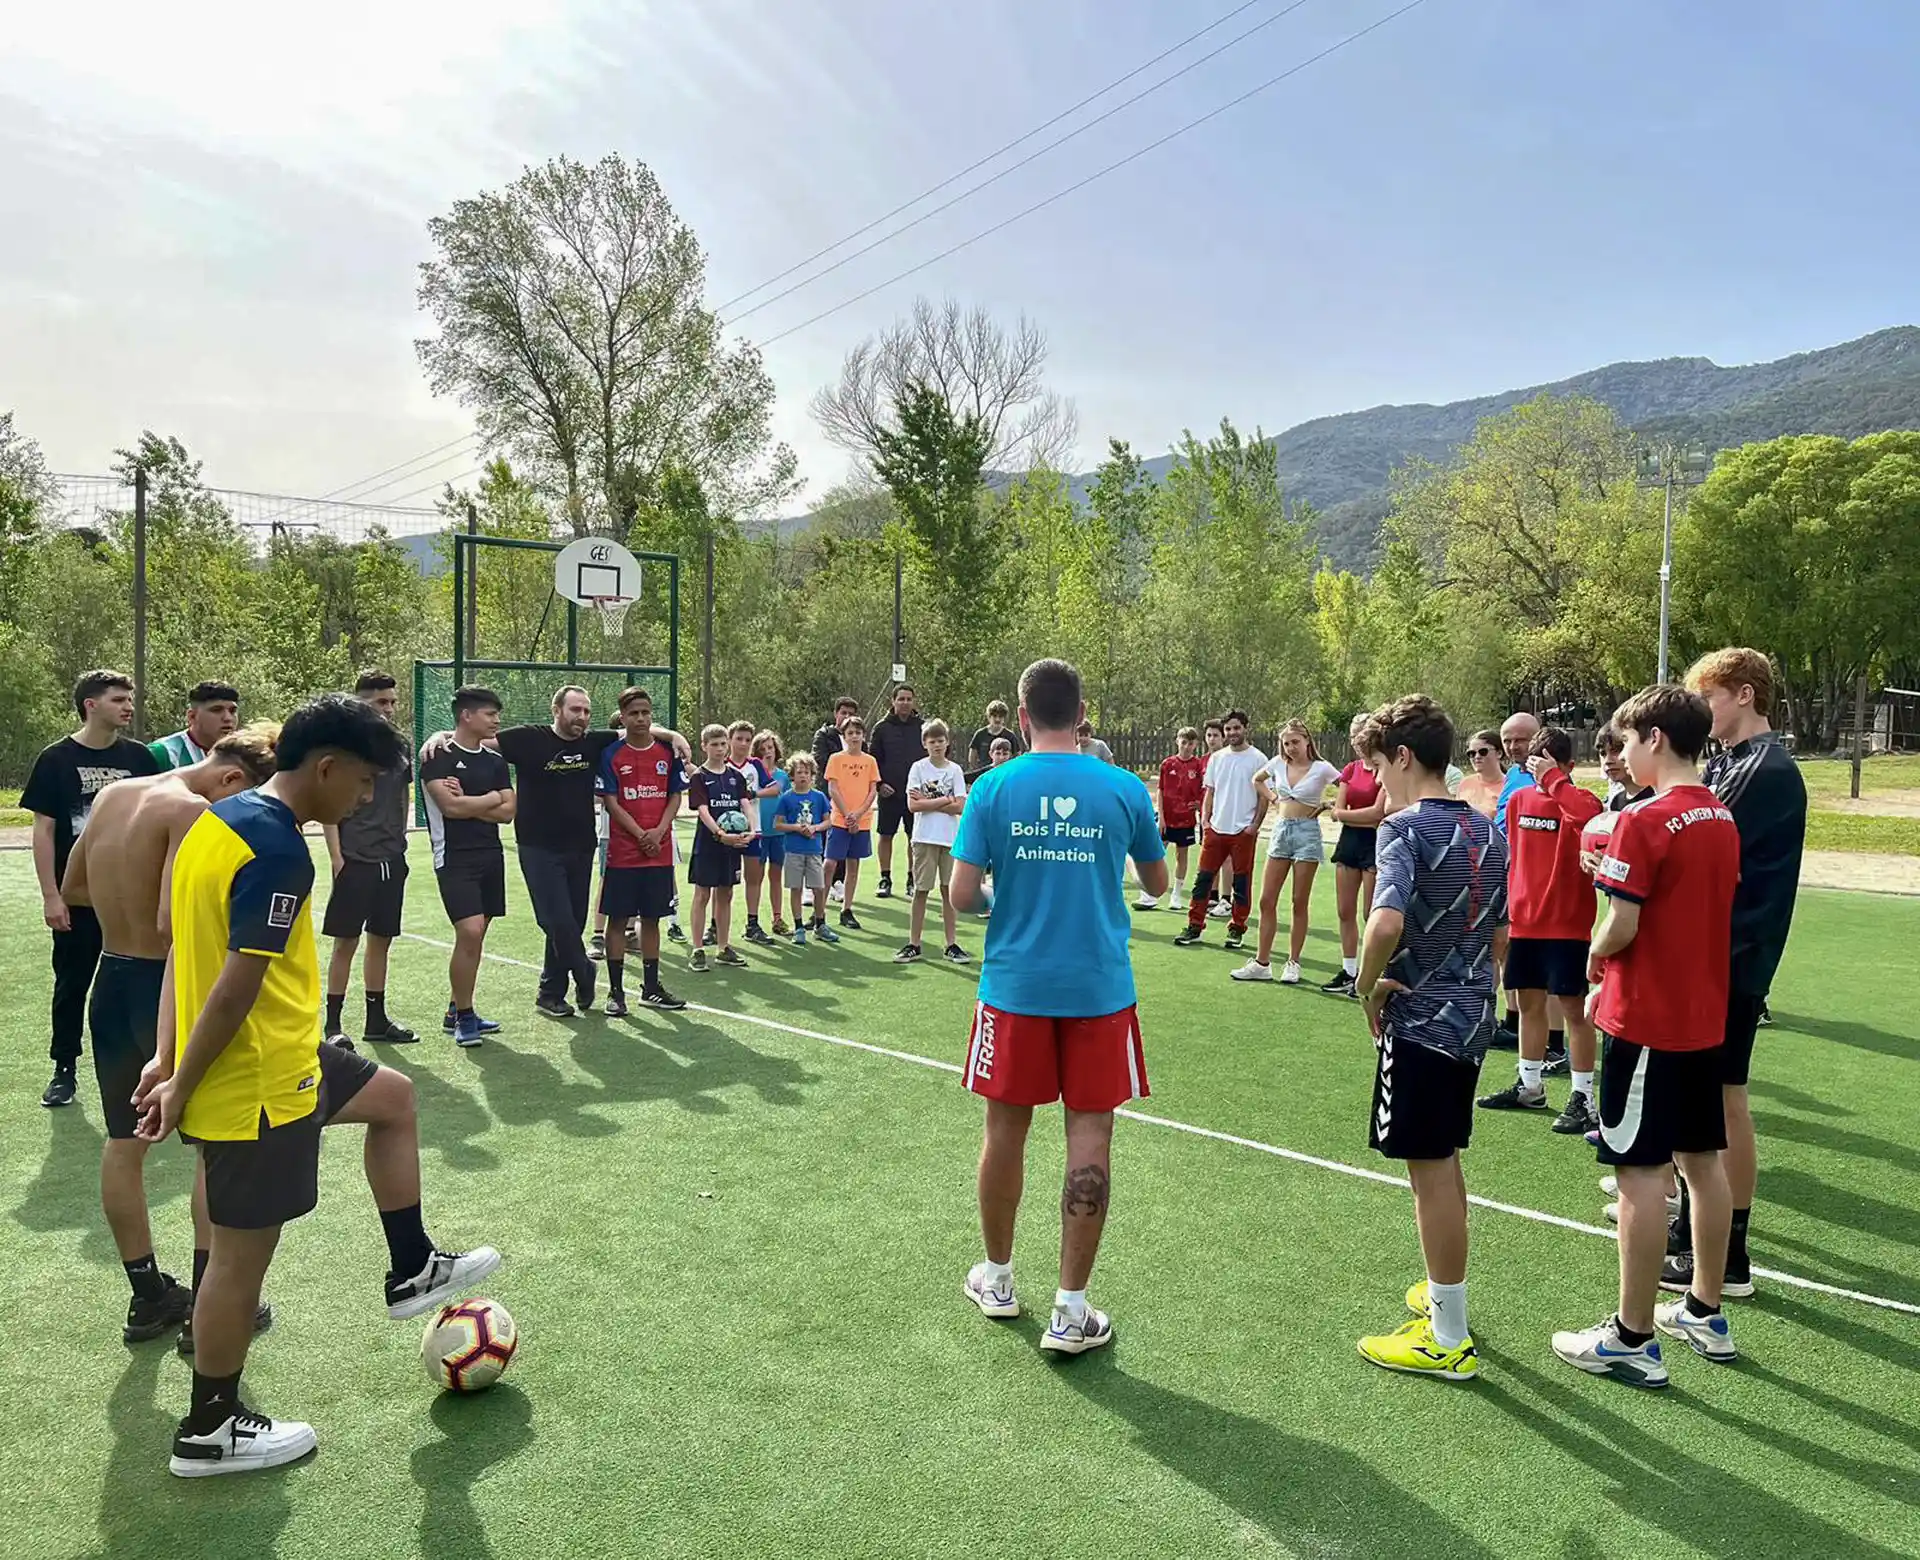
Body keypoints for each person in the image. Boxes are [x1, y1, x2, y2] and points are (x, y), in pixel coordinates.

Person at [136, 694, 501, 1476]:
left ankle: (412, 1265)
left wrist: (165, 1056)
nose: (367, 800)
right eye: (364, 783)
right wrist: (181, 1078)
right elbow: (232, 986)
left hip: (289, 1051)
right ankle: (210, 1428)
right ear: (327, 767)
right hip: (257, 1078)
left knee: (394, 1099)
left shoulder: (217, 821)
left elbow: (179, 948)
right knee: (239, 1260)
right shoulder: (276, 848)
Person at [951, 658, 1167, 1354]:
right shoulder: (1124, 787)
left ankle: (1001, 1279)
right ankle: (1071, 1312)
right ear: (1082, 714)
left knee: (1003, 1132)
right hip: (1099, 990)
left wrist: (1005, 899)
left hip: (1015, 987)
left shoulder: (992, 786)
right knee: (1090, 1138)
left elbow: (961, 896)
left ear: (1019, 716)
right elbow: (1160, 883)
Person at [60, 724, 279, 1347]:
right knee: (212, 1146)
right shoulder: (197, 812)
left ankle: (148, 1294)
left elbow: (75, 887)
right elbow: (170, 923)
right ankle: (209, 1310)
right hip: (167, 992)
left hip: (111, 981)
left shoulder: (115, 794)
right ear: (233, 777)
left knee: (123, 1144)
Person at [1551, 684, 1739, 1386]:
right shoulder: (1720, 815)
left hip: (1647, 1020)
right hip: (1701, 1017)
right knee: (1702, 1162)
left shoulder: (1645, 818)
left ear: (1656, 738)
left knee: (1638, 1176)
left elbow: (1623, 925)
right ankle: (1705, 1311)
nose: (1624, 757)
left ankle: (1631, 1336)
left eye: (1628, 743)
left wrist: (1596, 951)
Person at [1353, 695, 1508, 1380]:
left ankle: (1446, 1333)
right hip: (1474, 1012)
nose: (1377, 779)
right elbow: (1500, 932)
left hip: (1422, 1019)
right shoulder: (1488, 828)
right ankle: (1444, 1292)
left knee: (1429, 1170)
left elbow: (1385, 924)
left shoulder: (1403, 829)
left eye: (1380, 764)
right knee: (1444, 1161)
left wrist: (1365, 984)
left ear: (1404, 757)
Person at [1663, 648, 1808, 1303]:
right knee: (1703, 1098)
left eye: (1709, 698)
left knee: (1724, 1098)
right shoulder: (1734, 763)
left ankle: (1729, 1252)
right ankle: (1695, 1231)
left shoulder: (1764, 768)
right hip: (1711, 955)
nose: (1701, 712)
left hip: (1732, 960)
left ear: (1744, 695)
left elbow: (1685, 835)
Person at [24, 668, 161, 1107]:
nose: (128, 706)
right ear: (91, 705)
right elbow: (43, 831)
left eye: (129, 699)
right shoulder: (56, 759)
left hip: (132, 901)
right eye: (118, 699)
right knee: (72, 984)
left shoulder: (140, 759)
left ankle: (153, 1069)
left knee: (144, 982)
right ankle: (64, 1069)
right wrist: (51, 895)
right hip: (79, 899)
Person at [1478, 727, 1604, 1132]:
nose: (1540, 772)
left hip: (1568, 926)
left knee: (1574, 1011)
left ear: (1566, 765)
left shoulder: (1583, 800)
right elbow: (1514, 854)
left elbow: (1586, 820)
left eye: (1548, 764)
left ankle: (1583, 1097)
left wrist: (1555, 781)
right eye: (1537, 764)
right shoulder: (1517, 800)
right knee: (1528, 1004)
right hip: (1525, 924)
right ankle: (1530, 1086)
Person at [322, 671, 418, 1049]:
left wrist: (402, 839)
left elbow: (404, 794)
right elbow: (328, 804)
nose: (389, 709)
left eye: (393, 702)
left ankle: (376, 1020)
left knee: (382, 939)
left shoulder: (400, 745)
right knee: (345, 942)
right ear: (361, 702)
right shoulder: (341, 749)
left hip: (391, 856)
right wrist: (336, 856)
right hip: (355, 857)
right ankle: (333, 1026)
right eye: (381, 702)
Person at [420, 687, 515, 1047]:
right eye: (490, 714)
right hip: (454, 858)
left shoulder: (494, 761)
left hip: (491, 853)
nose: (496, 720)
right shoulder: (437, 754)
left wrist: (481, 800)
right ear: (466, 715)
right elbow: (451, 809)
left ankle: (458, 1008)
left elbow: (508, 812)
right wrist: (491, 799)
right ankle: (463, 1017)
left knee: (478, 935)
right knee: (470, 932)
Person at [595, 687, 688, 1013]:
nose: (640, 718)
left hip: (658, 852)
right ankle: (616, 992)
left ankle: (651, 988)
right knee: (617, 920)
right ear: (622, 717)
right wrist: (639, 834)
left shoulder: (666, 753)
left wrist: (660, 831)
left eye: (645, 712)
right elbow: (610, 800)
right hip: (624, 852)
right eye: (633, 713)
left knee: (651, 920)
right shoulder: (611, 754)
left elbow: (675, 795)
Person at [1233, 720, 1339, 985]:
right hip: (1280, 831)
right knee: (1266, 899)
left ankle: (1293, 962)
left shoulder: (1322, 767)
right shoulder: (1278, 764)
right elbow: (1257, 780)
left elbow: (1348, 786)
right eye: (1286, 743)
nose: (1290, 748)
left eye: (1295, 742)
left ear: (1307, 740)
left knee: (1298, 901)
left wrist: (1329, 803)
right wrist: (1272, 798)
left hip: (1307, 833)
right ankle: (1262, 962)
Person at [1175, 711, 1266, 950]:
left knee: (1241, 882)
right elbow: (1210, 792)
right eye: (1228, 729)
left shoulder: (1258, 759)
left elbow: (1264, 796)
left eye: (1236, 728)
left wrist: (1255, 825)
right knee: (1203, 880)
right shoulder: (1217, 758)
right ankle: (1194, 926)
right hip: (1215, 829)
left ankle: (1237, 928)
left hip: (1243, 832)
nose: (1232, 733)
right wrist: (1205, 820)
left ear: (1246, 728)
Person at [1321, 714, 1387, 994]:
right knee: (1344, 910)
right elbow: (1339, 808)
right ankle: (1349, 970)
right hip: (1349, 843)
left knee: (1369, 914)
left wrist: (1343, 814)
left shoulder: (1384, 768)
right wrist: (1344, 814)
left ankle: (1371, 973)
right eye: (1352, 736)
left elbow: (1377, 814)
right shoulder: (1350, 769)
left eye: (1361, 734)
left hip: (1375, 843)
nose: (1357, 741)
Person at [898, 719, 969, 964]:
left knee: (948, 891)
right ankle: (914, 943)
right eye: (932, 741)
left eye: (940, 741)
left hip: (949, 839)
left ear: (947, 742)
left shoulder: (955, 770)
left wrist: (934, 803)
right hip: (924, 836)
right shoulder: (918, 768)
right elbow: (913, 805)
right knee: (921, 890)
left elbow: (960, 806)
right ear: (924, 743)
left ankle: (951, 944)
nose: (937, 745)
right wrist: (942, 801)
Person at [685, 724, 755, 972]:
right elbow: (702, 810)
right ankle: (697, 949)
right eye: (713, 744)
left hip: (732, 845)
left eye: (723, 744)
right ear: (704, 746)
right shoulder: (699, 777)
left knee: (725, 894)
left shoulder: (735, 777)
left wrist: (752, 829)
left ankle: (723, 947)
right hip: (707, 845)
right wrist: (719, 833)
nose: (719, 748)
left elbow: (745, 804)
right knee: (703, 894)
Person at [1139, 727, 1205, 911]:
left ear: (1196, 745)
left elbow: (1203, 789)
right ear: (1177, 741)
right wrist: (1161, 816)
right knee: (1156, 853)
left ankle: (1176, 895)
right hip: (1167, 818)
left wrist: (1199, 804)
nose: (1186, 746)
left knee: (1181, 855)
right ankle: (1149, 894)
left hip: (1186, 819)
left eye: (1190, 743)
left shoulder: (1198, 766)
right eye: (1183, 742)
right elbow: (1160, 790)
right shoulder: (1167, 764)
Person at [870, 685, 926, 900]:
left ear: (914, 701)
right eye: (900, 699)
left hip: (915, 796)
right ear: (892, 701)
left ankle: (912, 880)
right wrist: (880, 784)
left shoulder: (922, 727)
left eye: (908, 699)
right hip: (888, 793)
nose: (904, 702)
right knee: (886, 835)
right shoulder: (881, 728)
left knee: (914, 838)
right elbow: (873, 760)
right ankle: (885, 878)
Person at [825, 715, 880, 930]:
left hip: (862, 821)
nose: (854, 736)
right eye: (850, 733)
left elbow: (872, 790)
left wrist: (857, 815)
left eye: (858, 733)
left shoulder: (870, 761)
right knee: (829, 864)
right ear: (844, 736)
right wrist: (848, 815)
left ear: (863, 735)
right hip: (839, 820)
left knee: (853, 865)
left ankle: (846, 909)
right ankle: (819, 911)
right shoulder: (836, 759)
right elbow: (833, 788)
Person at [775, 756, 838, 945]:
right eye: (799, 772)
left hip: (814, 850)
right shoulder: (786, 797)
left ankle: (820, 924)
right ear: (792, 776)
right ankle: (799, 926)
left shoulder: (819, 797)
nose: (803, 776)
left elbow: (828, 821)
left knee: (818, 888)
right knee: (796, 888)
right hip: (793, 851)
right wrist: (796, 828)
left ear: (812, 775)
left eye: (807, 772)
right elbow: (777, 824)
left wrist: (815, 828)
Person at [812, 696, 859, 904]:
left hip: (850, 800)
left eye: (851, 714)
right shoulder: (823, 735)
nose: (847, 717)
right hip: (826, 795)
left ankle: (837, 882)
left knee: (843, 841)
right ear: (836, 714)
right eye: (843, 713)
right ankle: (812, 885)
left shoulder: (859, 740)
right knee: (822, 840)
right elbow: (820, 762)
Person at [744, 730, 790, 941]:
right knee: (756, 877)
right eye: (762, 749)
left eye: (770, 748)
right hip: (759, 834)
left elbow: (788, 800)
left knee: (776, 876)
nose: (767, 752)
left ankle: (777, 918)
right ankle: (753, 921)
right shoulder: (753, 774)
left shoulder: (782, 776)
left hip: (778, 834)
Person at [149, 681, 241, 771]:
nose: (228, 718)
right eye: (216, 710)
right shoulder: (163, 753)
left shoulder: (244, 756)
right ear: (192, 716)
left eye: (232, 711)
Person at [1456, 729, 1506, 819]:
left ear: (1499, 753)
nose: (1477, 757)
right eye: (1471, 753)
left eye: (1483, 752)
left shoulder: (1509, 786)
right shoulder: (1465, 783)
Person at [969, 700, 1024, 770]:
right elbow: (972, 758)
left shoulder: (1010, 736)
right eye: (994, 716)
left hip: (1004, 774)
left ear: (1004, 718)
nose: (997, 719)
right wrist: (978, 772)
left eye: (1000, 716)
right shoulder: (980, 734)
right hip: (985, 774)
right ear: (989, 717)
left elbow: (1017, 757)